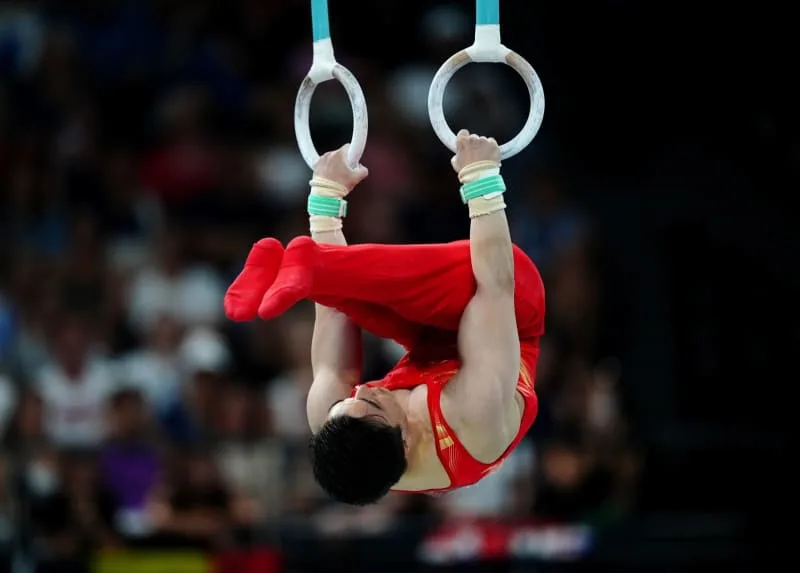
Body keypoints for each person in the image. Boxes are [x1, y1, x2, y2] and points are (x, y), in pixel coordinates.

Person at [224, 130, 545, 505]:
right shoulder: (473, 417)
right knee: (453, 281)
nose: (368, 389)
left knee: (352, 297)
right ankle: (312, 265)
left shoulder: (337, 427)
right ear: (406, 439)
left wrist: (325, 202)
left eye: (354, 397)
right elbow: (495, 286)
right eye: (375, 403)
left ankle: (310, 270)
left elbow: (334, 312)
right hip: (510, 311)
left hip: (426, 343)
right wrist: (481, 176)